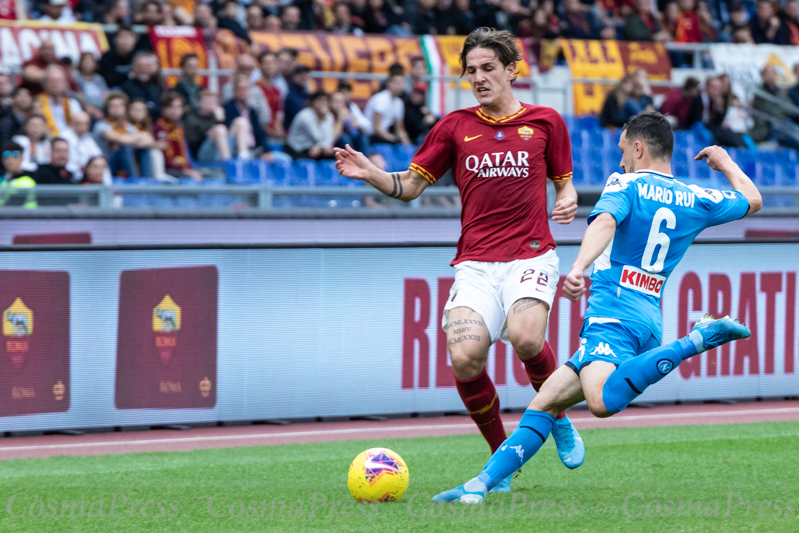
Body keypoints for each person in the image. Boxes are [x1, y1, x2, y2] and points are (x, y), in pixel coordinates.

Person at [432, 112, 762, 505]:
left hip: (614, 315)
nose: (619, 159)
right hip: (645, 316)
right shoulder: (696, 197)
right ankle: (480, 486)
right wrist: (725, 163)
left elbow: (605, 221)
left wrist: (578, 267)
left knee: (602, 400)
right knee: (546, 402)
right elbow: (753, 200)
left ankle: (699, 338)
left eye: (623, 149)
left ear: (638, 148)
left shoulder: (626, 183)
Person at [335, 29, 583, 493]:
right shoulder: (454, 127)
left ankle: (559, 416)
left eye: (489, 68)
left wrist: (567, 199)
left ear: (512, 70)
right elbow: (409, 187)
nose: (479, 78)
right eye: (472, 70)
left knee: (528, 339)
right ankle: (501, 461)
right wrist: (371, 174)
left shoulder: (547, 122)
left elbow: (564, 183)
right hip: (476, 263)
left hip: (531, 253)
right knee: (465, 358)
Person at [93, 92, 154, 178]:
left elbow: (149, 140)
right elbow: (121, 139)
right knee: (125, 146)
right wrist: (137, 137)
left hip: (123, 161)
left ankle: (148, 181)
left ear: (125, 108)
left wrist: (134, 138)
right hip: (106, 163)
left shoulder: (127, 126)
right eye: (113, 106)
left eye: (120, 105)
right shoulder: (101, 125)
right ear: (107, 108)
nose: (117, 108)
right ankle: (134, 180)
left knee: (145, 148)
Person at [153, 93, 203, 180]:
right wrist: (185, 171)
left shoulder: (179, 127)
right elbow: (165, 161)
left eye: (179, 107)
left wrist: (190, 169)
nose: (175, 111)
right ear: (164, 108)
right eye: (172, 107)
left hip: (182, 169)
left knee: (214, 175)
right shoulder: (159, 127)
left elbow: (185, 154)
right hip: (169, 170)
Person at [223, 76, 272, 160]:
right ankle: (243, 157)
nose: (243, 91)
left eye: (246, 89)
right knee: (241, 122)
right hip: (234, 150)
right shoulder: (227, 108)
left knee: (284, 159)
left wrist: (266, 152)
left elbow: (260, 134)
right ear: (234, 90)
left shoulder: (252, 111)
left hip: (254, 150)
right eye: (240, 88)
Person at [185, 91, 235, 162]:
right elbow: (193, 143)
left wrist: (220, 119)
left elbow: (226, 134)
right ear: (199, 103)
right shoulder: (192, 117)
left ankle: (243, 157)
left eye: (213, 102)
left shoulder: (216, 115)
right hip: (201, 153)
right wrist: (210, 133)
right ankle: (228, 162)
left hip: (220, 150)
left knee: (240, 122)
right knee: (219, 129)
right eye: (207, 101)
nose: (210, 104)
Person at [286, 90, 335, 160]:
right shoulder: (305, 116)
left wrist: (321, 146)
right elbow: (317, 137)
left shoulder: (329, 116)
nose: (323, 103)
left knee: (334, 156)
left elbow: (329, 139)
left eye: (326, 101)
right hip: (296, 149)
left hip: (314, 147)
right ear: (313, 102)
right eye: (320, 100)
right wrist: (323, 119)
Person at [364, 73, 410, 145]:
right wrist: (393, 139)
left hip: (386, 134)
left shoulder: (399, 103)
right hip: (371, 135)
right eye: (397, 83)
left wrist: (406, 142)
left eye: (402, 83)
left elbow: (399, 129)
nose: (400, 86)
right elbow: (377, 129)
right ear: (389, 83)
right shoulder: (380, 99)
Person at [61, 112, 107, 182]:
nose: (83, 127)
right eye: (79, 123)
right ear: (72, 123)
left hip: (85, 176)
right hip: (69, 176)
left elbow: (98, 156)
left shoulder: (88, 138)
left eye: (86, 124)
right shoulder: (64, 137)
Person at [39, 66, 83, 137]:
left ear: (65, 84)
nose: (55, 84)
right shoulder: (38, 103)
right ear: (45, 84)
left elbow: (80, 126)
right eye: (52, 81)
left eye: (59, 81)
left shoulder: (73, 103)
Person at [121, 52, 163, 120]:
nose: (143, 68)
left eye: (147, 65)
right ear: (134, 67)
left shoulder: (157, 85)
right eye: (139, 65)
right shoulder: (126, 86)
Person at [255, 51, 285, 137]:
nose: (270, 66)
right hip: (260, 133)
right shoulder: (256, 88)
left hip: (274, 134)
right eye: (267, 63)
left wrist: (278, 131)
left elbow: (278, 113)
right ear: (260, 66)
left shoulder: (277, 90)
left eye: (273, 63)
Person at [0, 140, 37, 208]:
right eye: (6, 155)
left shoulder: (26, 182)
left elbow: (11, 207)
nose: (10, 160)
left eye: (15, 154)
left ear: (22, 158)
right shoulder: (3, 181)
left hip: (25, 217)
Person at [283, 65, 310, 132]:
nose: (304, 77)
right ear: (293, 76)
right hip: (291, 132)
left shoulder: (304, 92)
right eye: (301, 75)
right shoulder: (291, 94)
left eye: (305, 75)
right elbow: (302, 115)